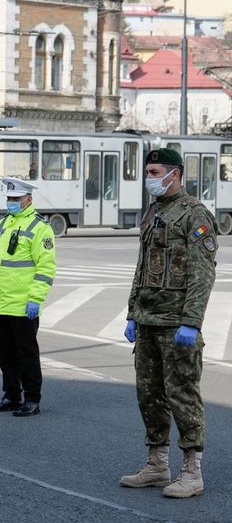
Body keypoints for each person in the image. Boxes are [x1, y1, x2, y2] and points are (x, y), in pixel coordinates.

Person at [120, 148, 217, 498]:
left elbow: (202, 274)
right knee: (149, 395)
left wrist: (191, 322)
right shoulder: (154, 212)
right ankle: (157, 465)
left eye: (153, 171)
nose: (149, 178)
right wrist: (132, 312)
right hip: (147, 321)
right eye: (148, 171)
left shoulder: (195, 215)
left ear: (173, 174)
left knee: (182, 395)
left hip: (177, 324)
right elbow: (142, 267)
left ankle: (192, 472)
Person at [0, 176, 56, 417]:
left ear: (28, 200)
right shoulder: (4, 225)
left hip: (24, 305)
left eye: (15, 199)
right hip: (2, 303)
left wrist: (36, 298)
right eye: (9, 198)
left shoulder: (39, 228)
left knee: (27, 355)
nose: (11, 202)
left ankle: (32, 399)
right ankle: (11, 395)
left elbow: (46, 268)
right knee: (5, 354)